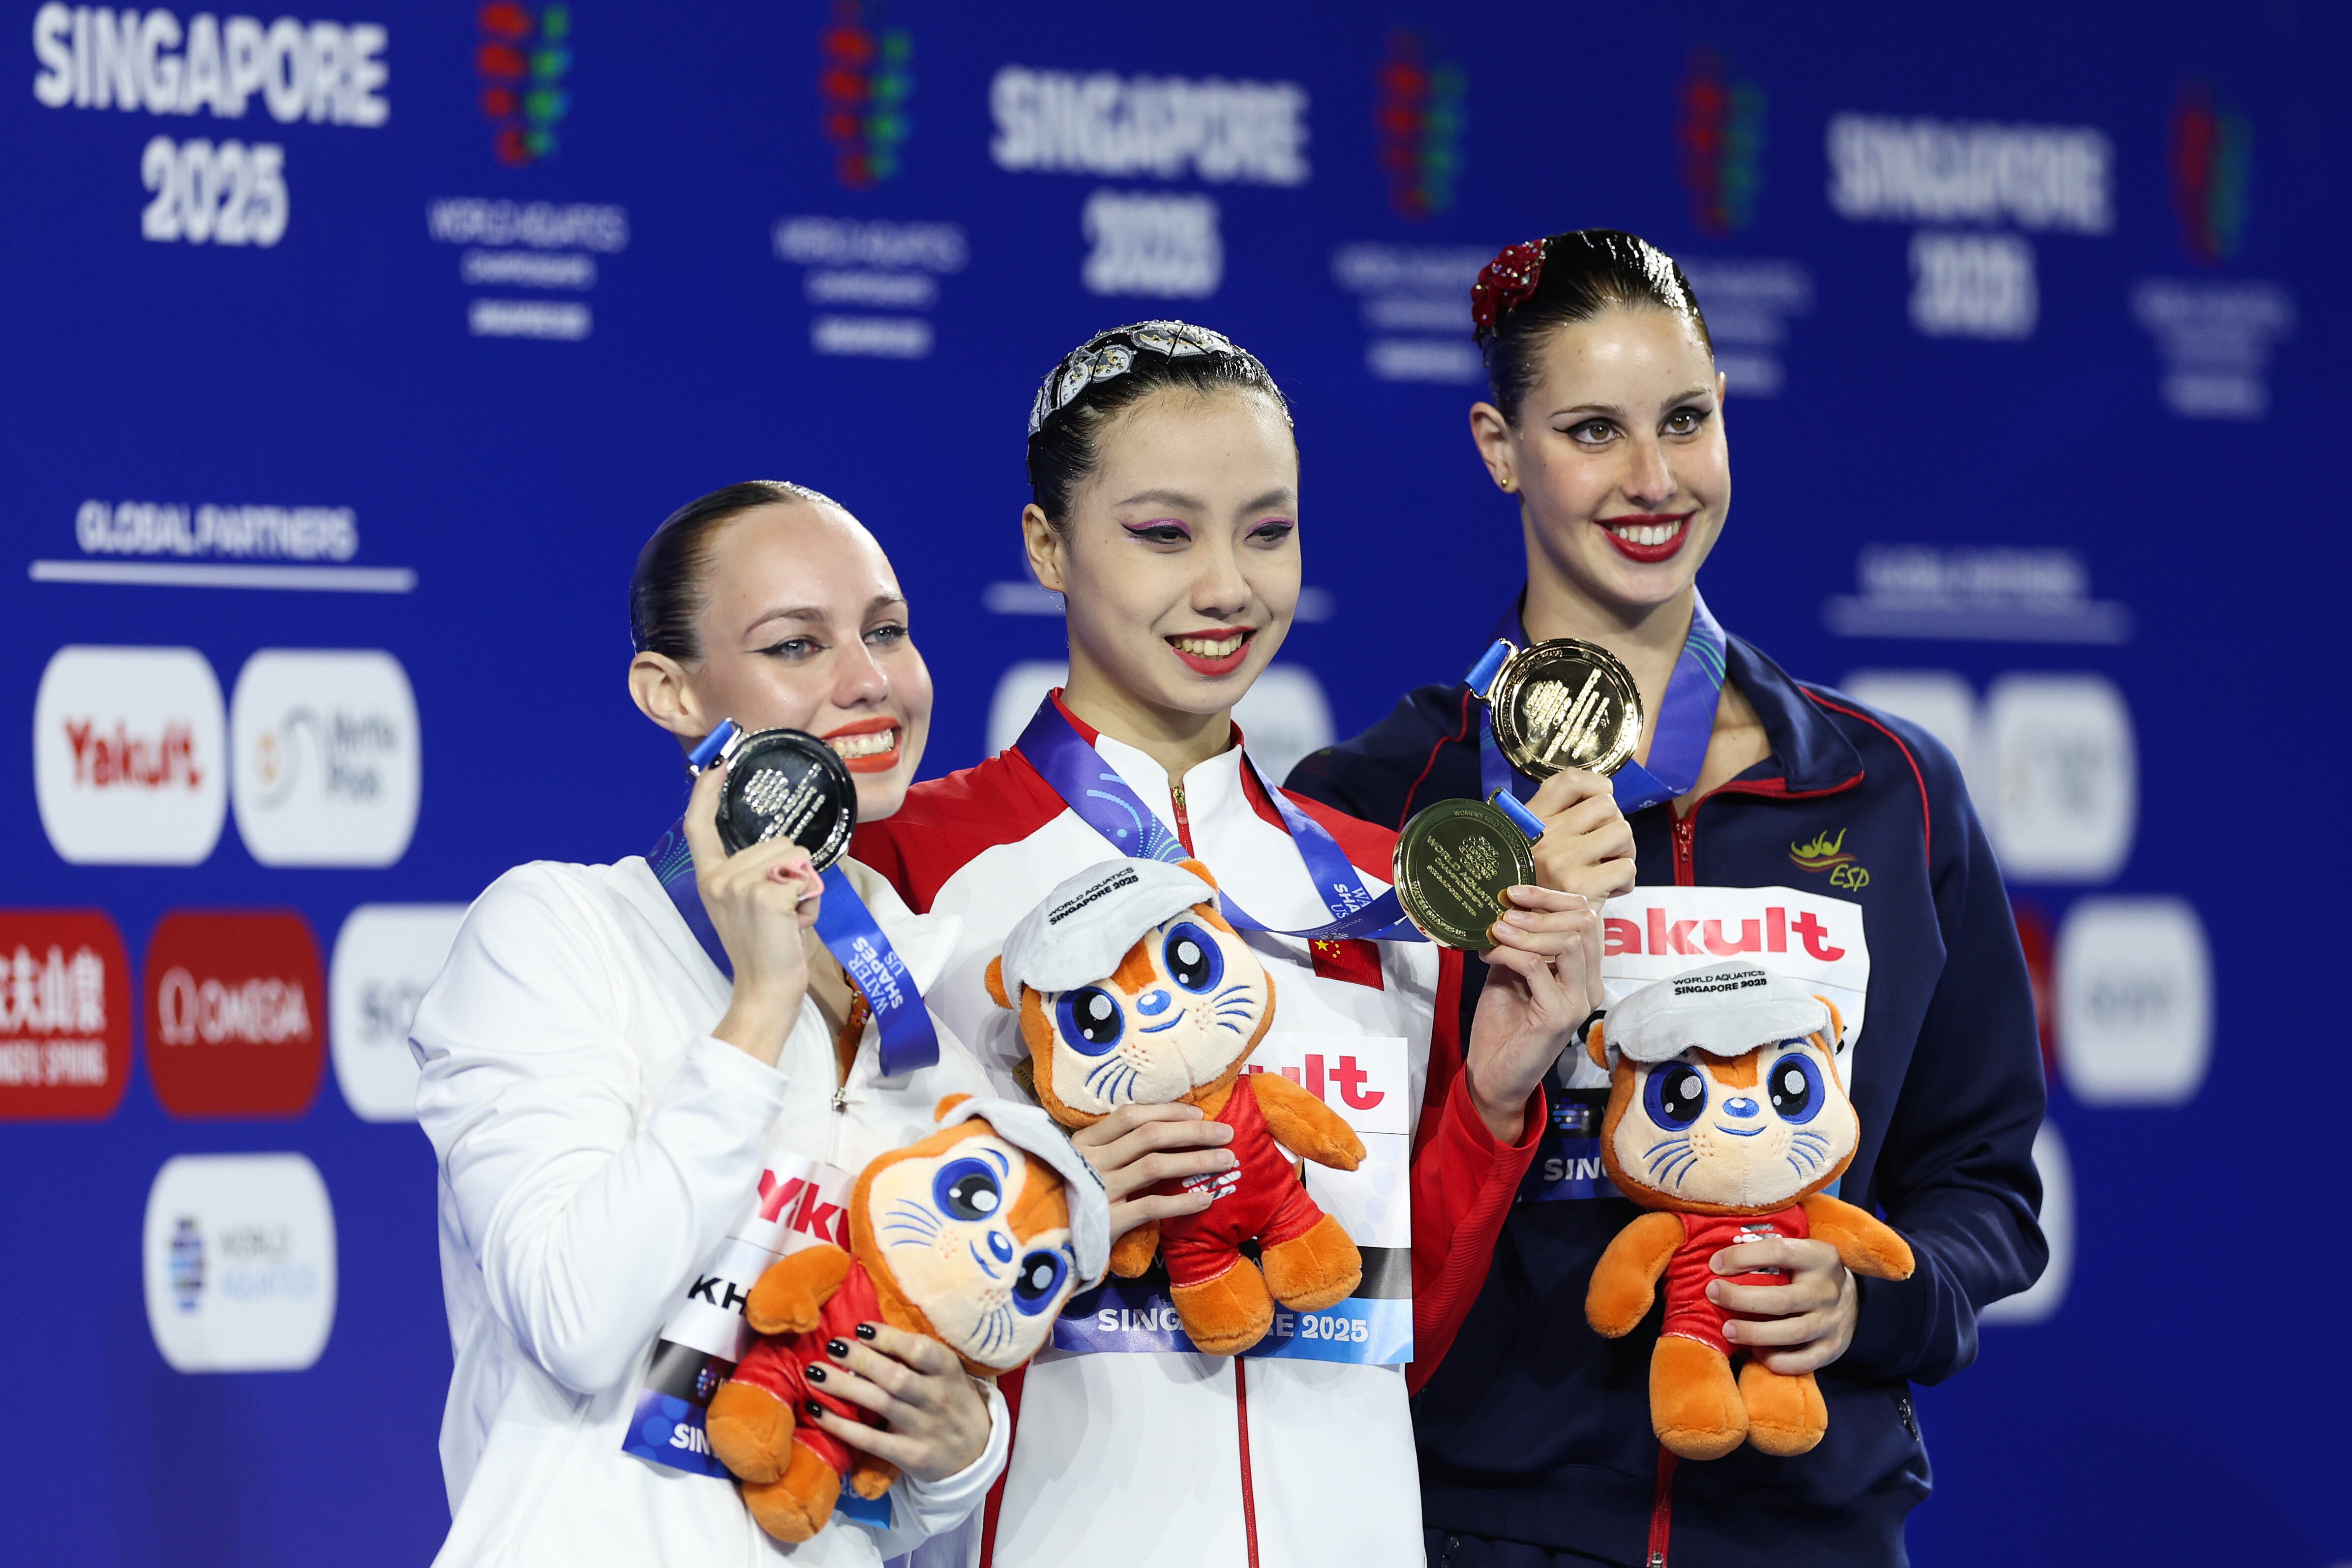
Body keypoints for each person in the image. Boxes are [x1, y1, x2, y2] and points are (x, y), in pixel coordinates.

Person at [1284, 231, 2049, 1567]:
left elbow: (1978, 1179)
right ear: (1497, 445)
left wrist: (1874, 1300)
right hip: (1478, 1525)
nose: (1651, 481)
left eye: (1684, 420)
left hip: (1808, 1524)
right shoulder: (1382, 802)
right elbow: (1338, 1222)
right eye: (1591, 429)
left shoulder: (1888, 790)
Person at [852, 321, 1615, 1568]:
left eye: (1268, 531)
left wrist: (1494, 1087)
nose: (1228, 587)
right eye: (1164, 534)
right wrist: (1067, 1190)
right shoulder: (914, 868)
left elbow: (1395, 1324)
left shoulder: (1384, 884)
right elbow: (858, 1265)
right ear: (1046, 545)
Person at [412, 481, 1016, 1567]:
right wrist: (760, 1005)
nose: (870, 680)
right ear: (672, 693)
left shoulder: (935, 1019)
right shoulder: (554, 933)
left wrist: (960, 1451)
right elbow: (579, 1319)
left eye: (887, 631)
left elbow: (867, 1502)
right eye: (798, 643)